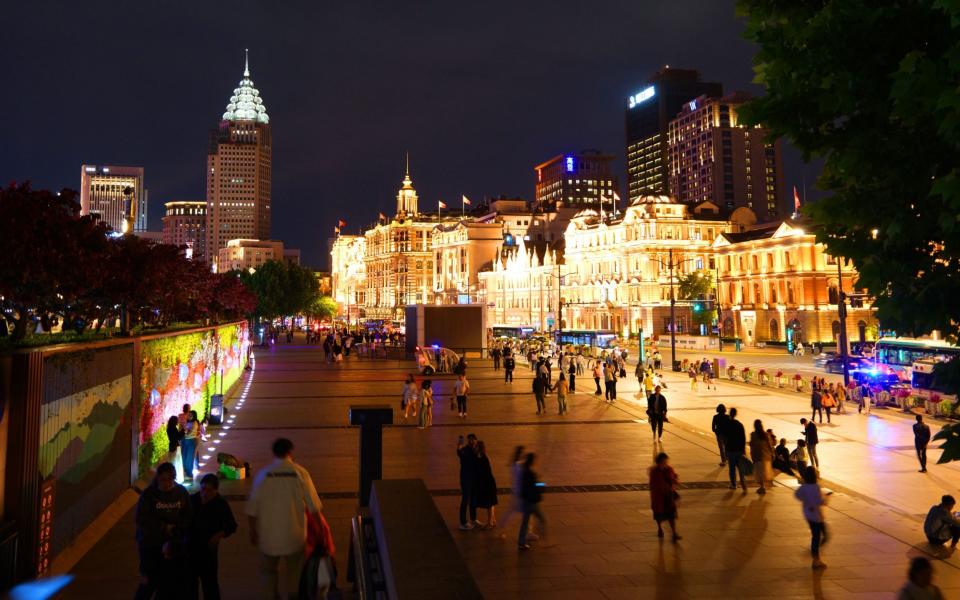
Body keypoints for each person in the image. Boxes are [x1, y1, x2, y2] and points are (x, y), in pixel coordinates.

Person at [246, 438, 323, 600]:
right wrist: (320, 532)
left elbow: (252, 509)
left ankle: (272, 595)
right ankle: (293, 596)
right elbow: (314, 507)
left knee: (268, 572)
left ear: (274, 452)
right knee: (294, 574)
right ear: (290, 452)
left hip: (268, 538)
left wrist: (253, 531)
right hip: (294, 537)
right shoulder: (300, 473)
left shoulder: (263, 475)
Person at [135, 462, 192, 600]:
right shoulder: (149, 495)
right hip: (151, 546)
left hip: (173, 546)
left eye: (168, 480)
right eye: (162, 480)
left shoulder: (181, 493)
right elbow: (142, 520)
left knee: (168, 585)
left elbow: (188, 517)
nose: (165, 484)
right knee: (148, 583)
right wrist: (163, 527)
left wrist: (175, 534)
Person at [187, 473, 237, 600]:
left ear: (216, 490)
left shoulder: (220, 504)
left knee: (210, 585)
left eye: (209, 490)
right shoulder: (193, 500)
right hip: (190, 549)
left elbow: (231, 526)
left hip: (208, 553)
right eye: (203, 488)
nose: (204, 493)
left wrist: (219, 534)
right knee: (190, 585)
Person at [795, 466, 828, 569]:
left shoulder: (804, 487)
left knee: (821, 534)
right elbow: (819, 501)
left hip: (808, 514)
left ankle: (816, 552)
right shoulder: (815, 487)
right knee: (817, 536)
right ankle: (816, 559)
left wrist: (806, 501)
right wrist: (825, 499)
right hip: (816, 515)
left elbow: (797, 494)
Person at [649, 452, 681, 541]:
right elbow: (654, 485)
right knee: (659, 515)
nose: (665, 463)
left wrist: (675, 481)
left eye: (666, 461)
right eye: (663, 462)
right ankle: (659, 528)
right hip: (659, 498)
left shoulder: (669, 469)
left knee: (671, 516)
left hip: (669, 496)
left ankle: (674, 533)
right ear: (658, 462)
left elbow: (674, 478)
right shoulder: (654, 472)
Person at [518, 453, 546, 550]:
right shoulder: (530, 473)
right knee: (542, 519)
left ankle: (521, 542)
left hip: (526, 500)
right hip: (532, 502)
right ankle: (544, 540)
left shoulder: (524, 471)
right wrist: (542, 483)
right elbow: (536, 486)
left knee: (525, 522)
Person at [474, 441, 499, 529]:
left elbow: (484, 472)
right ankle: (493, 520)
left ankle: (489, 522)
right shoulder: (481, 456)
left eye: (476, 446)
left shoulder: (482, 457)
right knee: (490, 502)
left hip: (487, 482)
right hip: (488, 482)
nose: (474, 447)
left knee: (489, 503)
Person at [457, 434, 479, 530]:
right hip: (466, 478)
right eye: (470, 440)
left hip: (473, 478)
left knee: (473, 499)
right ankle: (463, 522)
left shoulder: (476, 450)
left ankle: (473, 519)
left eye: (473, 440)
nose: (471, 442)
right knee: (465, 500)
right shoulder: (465, 450)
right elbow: (459, 452)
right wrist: (459, 445)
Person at [724, 408, 748, 491]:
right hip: (739, 450)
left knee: (732, 468)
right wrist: (743, 449)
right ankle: (743, 482)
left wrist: (725, 450)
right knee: (741, 468)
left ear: (729, 414)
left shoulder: (727, 425)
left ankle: (733, 484)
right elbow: (743, 438)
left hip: (730, 449)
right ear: (735, 414)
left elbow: (725, 438)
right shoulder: (739, 425)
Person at [749, 419, 774, 495]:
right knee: (763, 472)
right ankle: (763, 487)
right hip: (765, 456)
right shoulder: (765, 434)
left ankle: (762, 487)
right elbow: (770, 445)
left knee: (759, 473)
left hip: (757, 456)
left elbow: (752, 445)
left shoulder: (753, 434)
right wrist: (772, 454)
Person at [182, 410, 205, 483]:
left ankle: (189, 474)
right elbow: (183, 430)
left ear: (194, 416)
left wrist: (184, 433)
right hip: (184, 442)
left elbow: (191, 433)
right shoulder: (187, 422)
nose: (189, 416)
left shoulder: (195, 423)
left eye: (191, 415)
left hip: (190, 441)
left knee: (189, 458)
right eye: (188, 414)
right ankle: (185, 473)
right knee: (184, 458)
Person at [166, 415, 184, 483]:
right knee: (177, 461)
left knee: (172, 461)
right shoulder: (174, 428)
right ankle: (176, 478)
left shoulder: (169, 428)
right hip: (175, 446)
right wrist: (183, 431)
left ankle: (173, 477)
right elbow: (178, 437)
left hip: (171, 445)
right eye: (177, 420)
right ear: (175, 421)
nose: (178, 422)